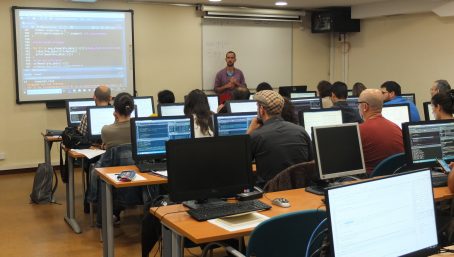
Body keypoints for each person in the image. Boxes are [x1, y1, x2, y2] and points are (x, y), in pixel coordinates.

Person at [247, 90, 312, 187]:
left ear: (262, 110)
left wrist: (249, 132)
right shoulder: (301, 131)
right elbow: (311, 162)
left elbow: (239, 163)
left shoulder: (257, 136)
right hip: (300, 190)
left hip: (269, 192)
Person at [358, 89, 404, 174]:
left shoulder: (359, 131)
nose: (358, 107)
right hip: (395, 179)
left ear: (365, 107)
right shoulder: (396, 128)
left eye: (358, 104)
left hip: (371, 182)